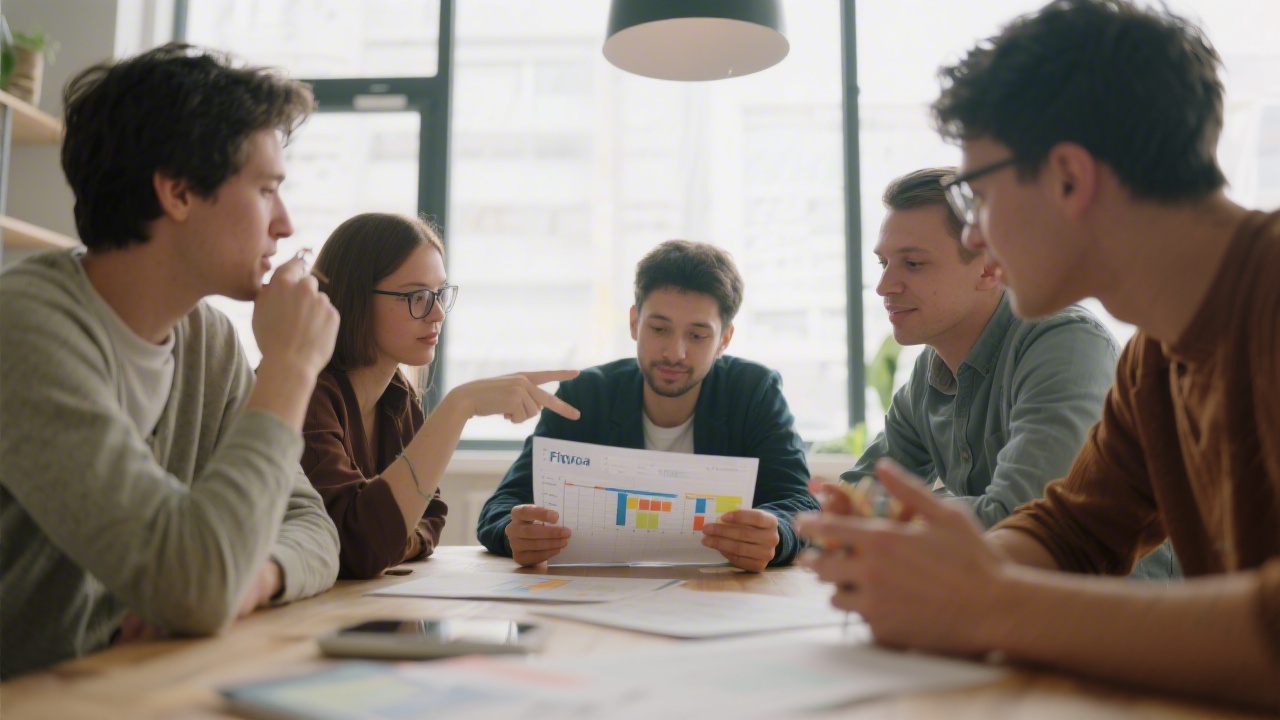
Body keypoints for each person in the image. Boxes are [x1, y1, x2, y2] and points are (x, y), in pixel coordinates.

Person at [797, 0, 1280, 708]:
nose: (973, 239)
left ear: (1068, 179)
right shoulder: (1154, 358)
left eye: (979, 194)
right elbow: (1074, 532)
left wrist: (992, 605)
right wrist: (932, 579)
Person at [0, 44, 341, 678]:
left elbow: (311, 527)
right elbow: (194, 583)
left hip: (118, 692)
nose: (285, 224)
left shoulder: (207, 341)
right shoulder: (23, 331)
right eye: (266, 189)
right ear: (179, 191)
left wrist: (256, 576)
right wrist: (290, 368)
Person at [846, 167, 1175, 579]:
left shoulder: (1064, 343)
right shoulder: (929, 375)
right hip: (1008, 606)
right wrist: (785, 531)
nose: (883, 286)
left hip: (1119, 617)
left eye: (912, 263)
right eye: (883, 263)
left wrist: (878, 513)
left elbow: (1021, 517)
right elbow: (854, 493)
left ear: (988, 269)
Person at [477, 240, 819, 572]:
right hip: (604, 597)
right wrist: (514, 533)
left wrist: (778, 534)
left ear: (724, 340)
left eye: (697, 336)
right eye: (659, 329)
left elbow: (800, 504)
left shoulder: (753, 391)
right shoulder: (585, 394)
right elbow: (502, 506)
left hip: (719, 597)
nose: (675, 352)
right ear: (633, 323)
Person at [301, 213, 580, 579]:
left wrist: (396, 540)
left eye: (439, 294)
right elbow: (359, 548)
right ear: (355, 296)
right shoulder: (305, 394)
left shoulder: (396, 396)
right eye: (416, 296)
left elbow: (430, 516)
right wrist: (459, 406)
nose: (436, 313)